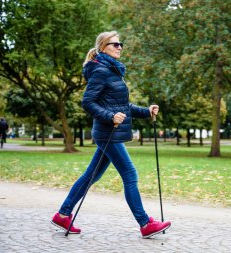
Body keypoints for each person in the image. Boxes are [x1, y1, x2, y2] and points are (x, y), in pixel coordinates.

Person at [51, 31, 171, 238]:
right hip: (108, 133)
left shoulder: (112, 71)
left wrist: (146, 111)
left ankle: (63, 215)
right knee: (130, 175)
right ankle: (145, 224)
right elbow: (87, 102)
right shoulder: (100, 71)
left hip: (110, 133)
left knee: (91, 176)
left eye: (120, 44)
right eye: (115, 44)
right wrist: (109, 116)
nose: (120, 47)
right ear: (103, 46)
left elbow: (123, 106)